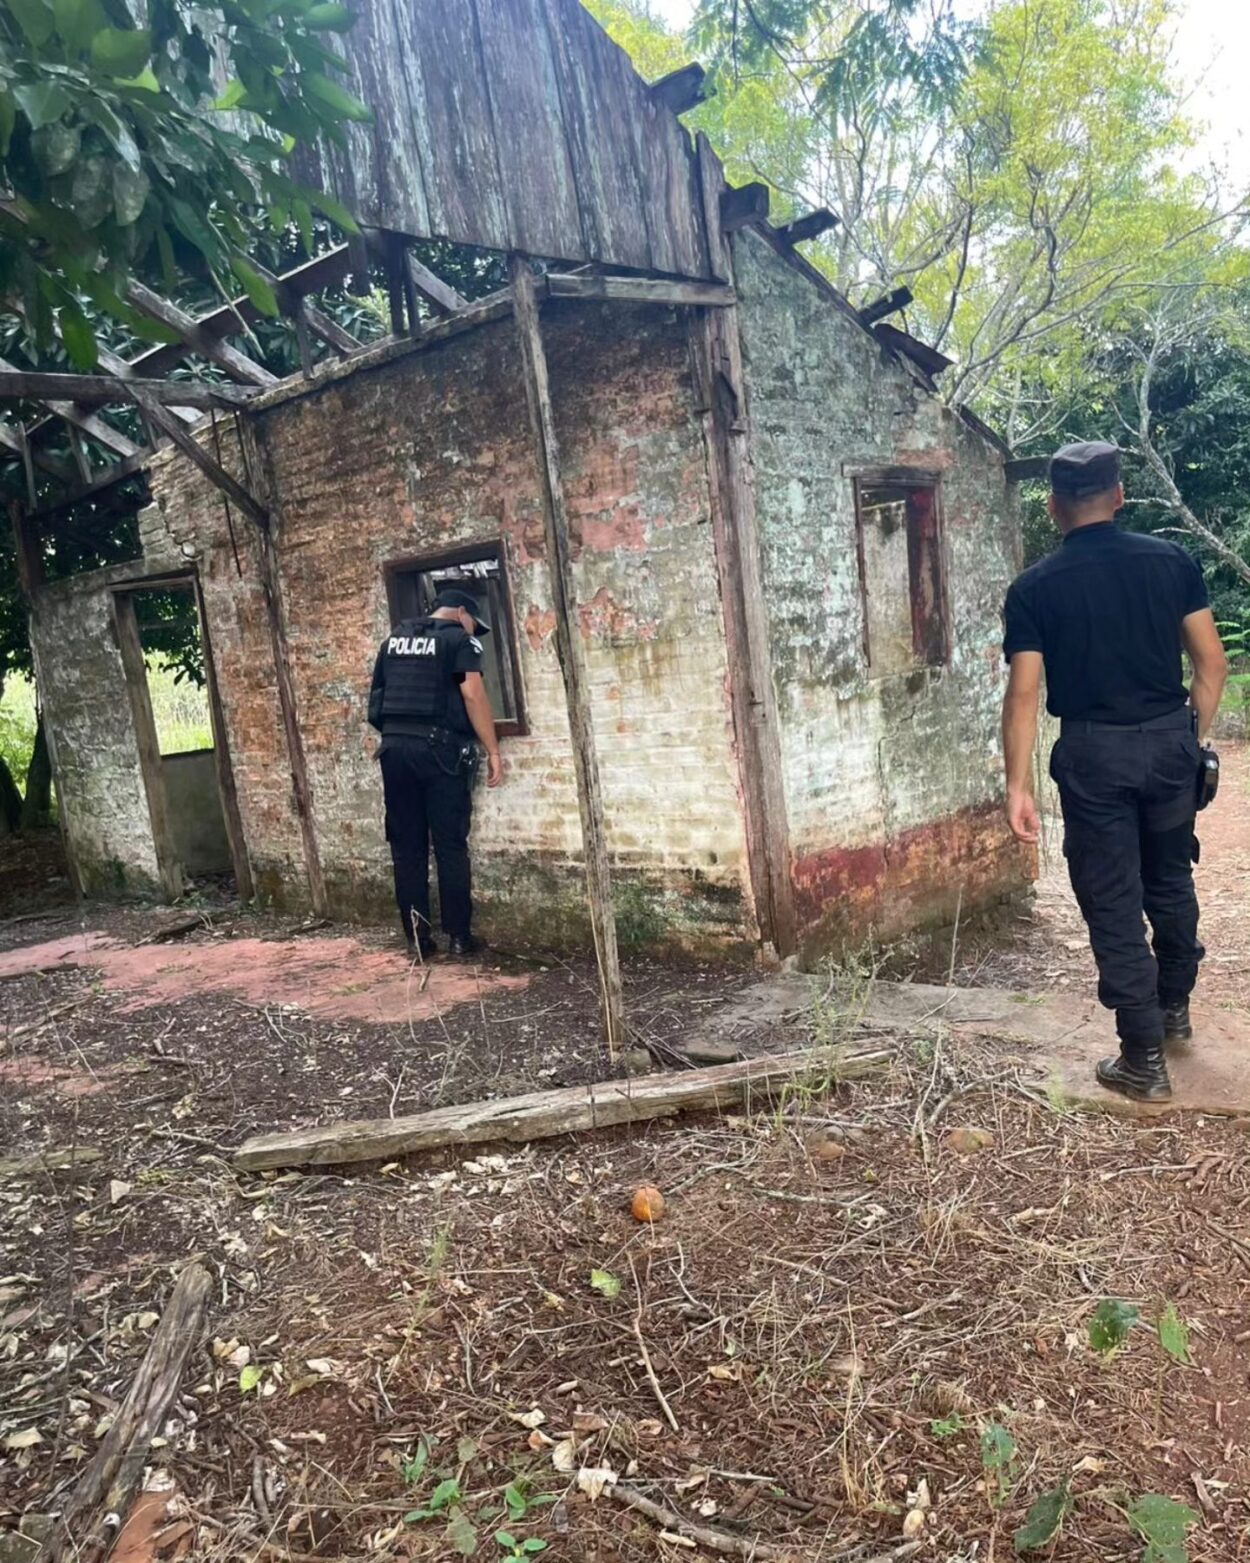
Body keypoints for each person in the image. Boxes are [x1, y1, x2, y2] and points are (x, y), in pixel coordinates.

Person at [1001, 441, 1227, 1102]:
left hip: (1093, 753)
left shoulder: (1034, 587)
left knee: (1112, 900)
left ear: (1053, 505)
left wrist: (1018, 785)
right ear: (1120, 495)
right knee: (1168, 876)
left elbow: (1024, 693)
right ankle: (1175, 1008)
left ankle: (1142, 1058)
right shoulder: (1172, 561)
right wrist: (1191, 736)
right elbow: (1211, 664)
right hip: (1167, 744)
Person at [368, 587, 504, 958]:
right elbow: (472, 693)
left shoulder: (394, 641)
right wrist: (492, 750)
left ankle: (417, 940)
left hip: (394, 752)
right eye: (474, 625)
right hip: (439, 752)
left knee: (407, 848)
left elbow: (378, 699)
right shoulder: (460, 641)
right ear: (462, 613)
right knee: (449, 845)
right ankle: (460, 938)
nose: (475, 633)